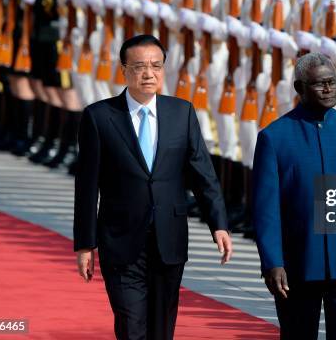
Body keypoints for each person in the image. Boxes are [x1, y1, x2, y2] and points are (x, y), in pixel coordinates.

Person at [73, 34, 233, 340]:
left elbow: (203, 173)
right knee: (131, 324)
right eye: (139, 67)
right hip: (119, 240)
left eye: (156, 66)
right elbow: (86, 186)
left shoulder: (181, 112)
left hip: (168, 237)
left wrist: (219, 224)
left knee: (162, 329)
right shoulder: (99, 117)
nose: (149, 73)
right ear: (124, 70)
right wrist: (84, 243)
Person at [252, 52, 336, 340]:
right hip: (298, 262)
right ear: (300, 88)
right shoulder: (274, 138)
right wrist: (272, 262)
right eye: (319, 84)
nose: (328, 89)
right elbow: (267, 210)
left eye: (332, 82)